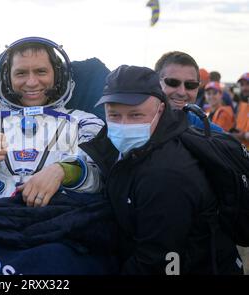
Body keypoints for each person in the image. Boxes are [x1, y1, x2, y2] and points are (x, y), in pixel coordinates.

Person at [80, 65, 242, 274]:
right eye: (114, 115)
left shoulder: (167, 175)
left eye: (136, 115)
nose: (123, 125)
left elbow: (156, 262)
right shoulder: (132, 147)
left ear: (161, 110)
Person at [0, 37, 104, 206]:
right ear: (6, 77)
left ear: (58, 75)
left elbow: (101, 177)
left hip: (58, 220)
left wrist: (63, 171)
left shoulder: (83, 122)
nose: (31, 82)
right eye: (21, 73)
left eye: (41, 71)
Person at [155, 51, 223, 132]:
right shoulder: (140, 119)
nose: (182, 92)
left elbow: (229, 140)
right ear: (155, 82)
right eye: (172, 82)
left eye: (190, 85)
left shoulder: (196, 122)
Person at [232, 73, 249, 148]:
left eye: (248, 84)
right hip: (240, 152)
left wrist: (244, 135)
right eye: (242, 85)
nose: (245, 88)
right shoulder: (240, 105)